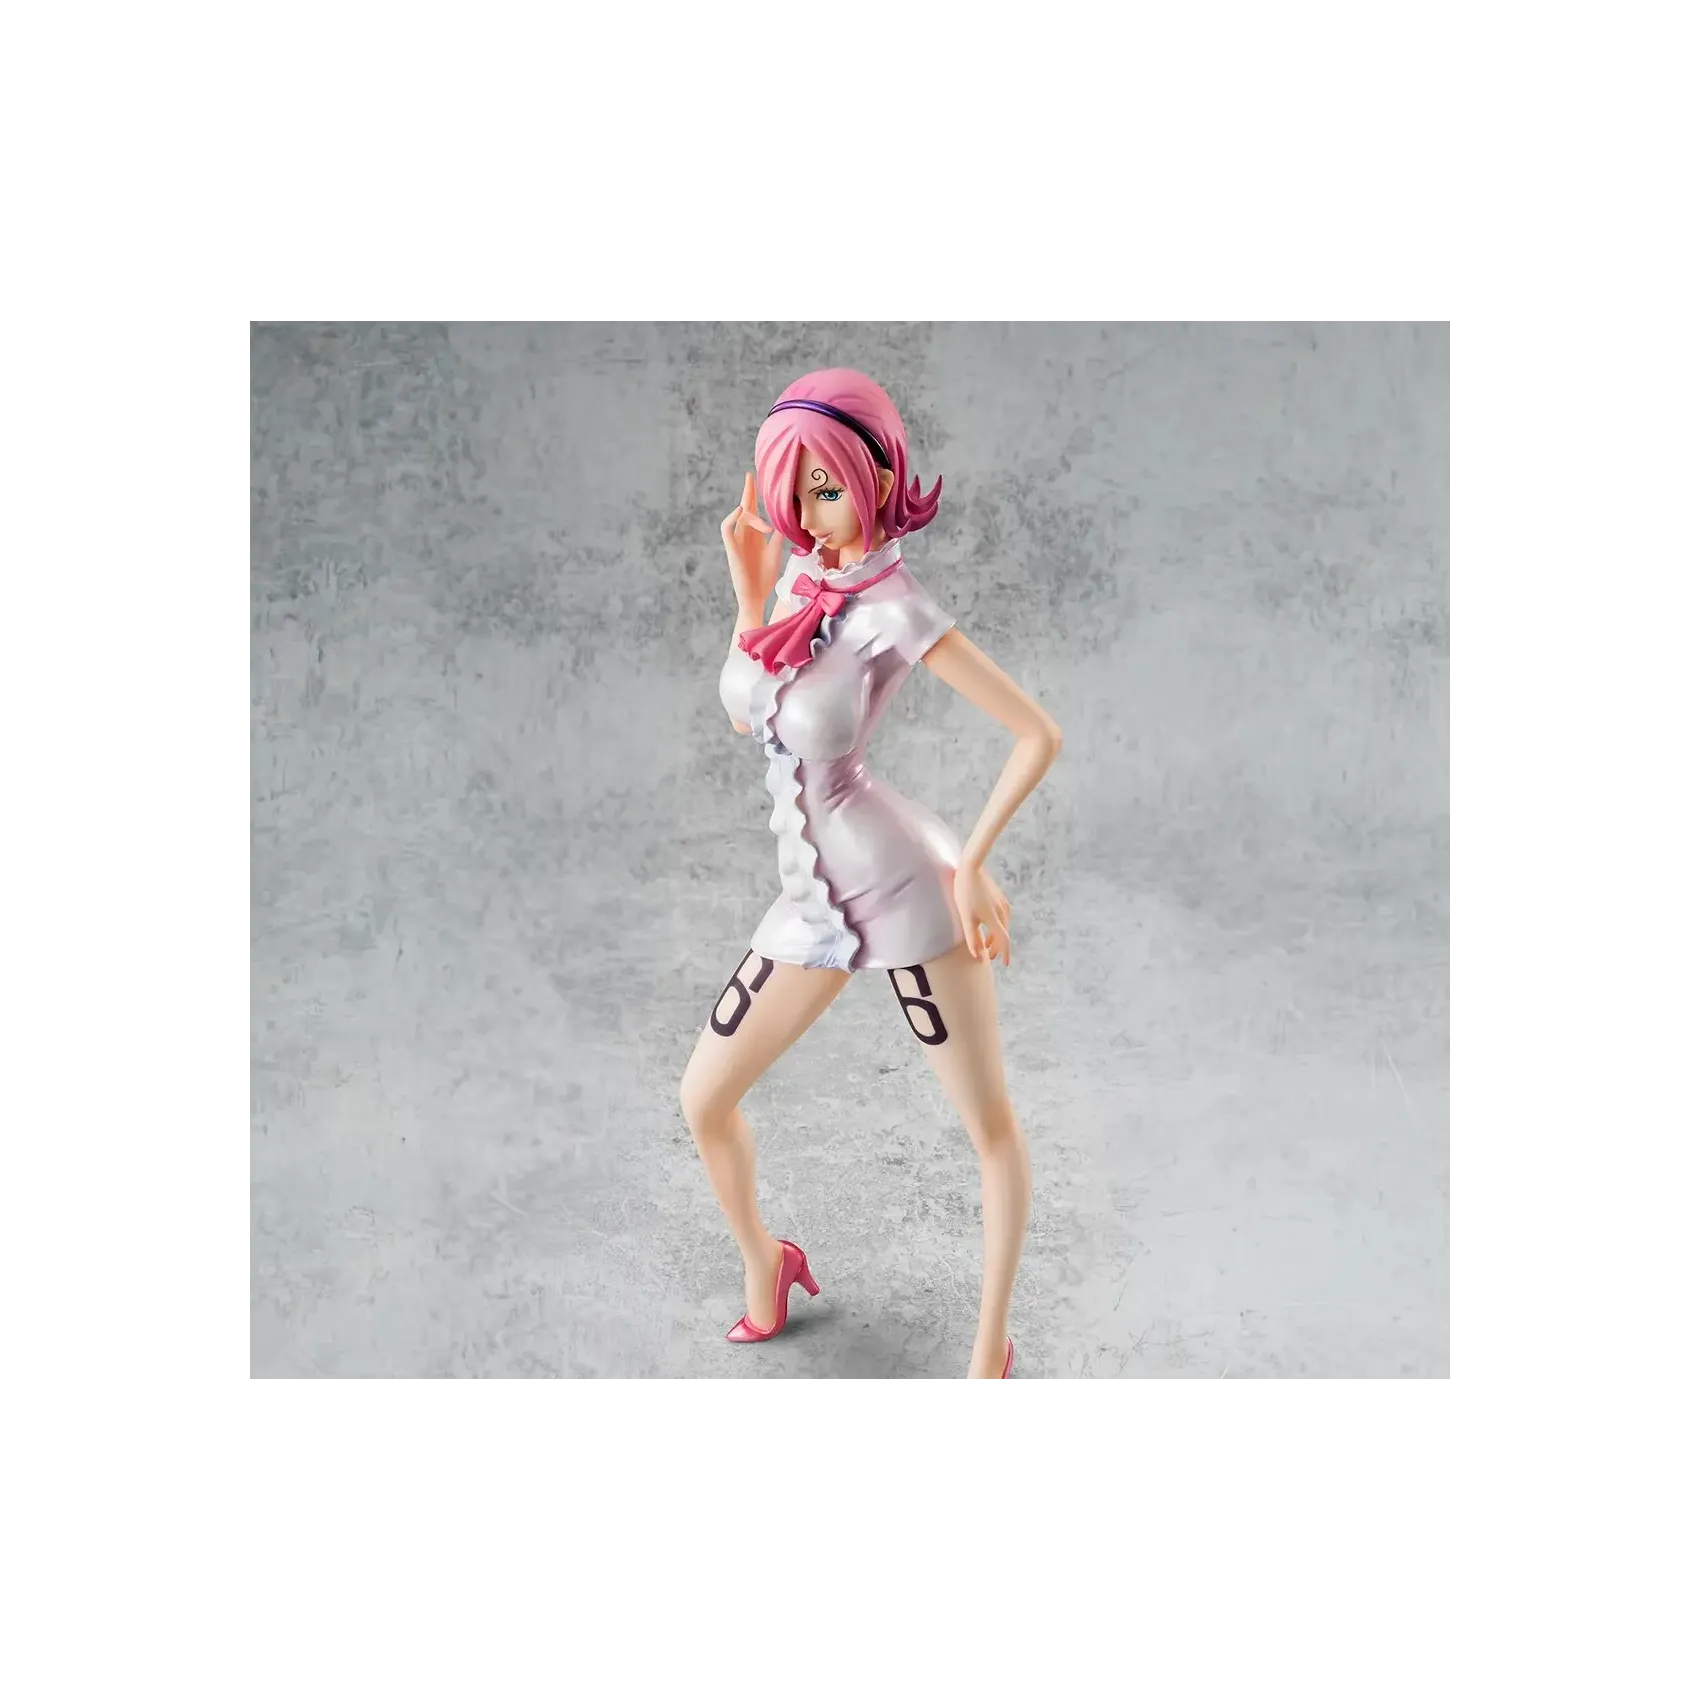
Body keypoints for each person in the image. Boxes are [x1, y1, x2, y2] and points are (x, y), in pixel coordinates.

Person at [678, 368, 1063, 1382]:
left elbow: (1036, 733)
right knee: (704, 1100)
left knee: (986, 1128)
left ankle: (988, 1350)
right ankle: (767, 1261)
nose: (807, 514)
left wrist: (970, 864)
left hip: (905, 889)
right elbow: (748, 712)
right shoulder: (798, 580)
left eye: (826, 489)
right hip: (812, 898)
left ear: (878, 475)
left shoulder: (897, 606)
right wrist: (749, 590)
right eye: (792, 491)